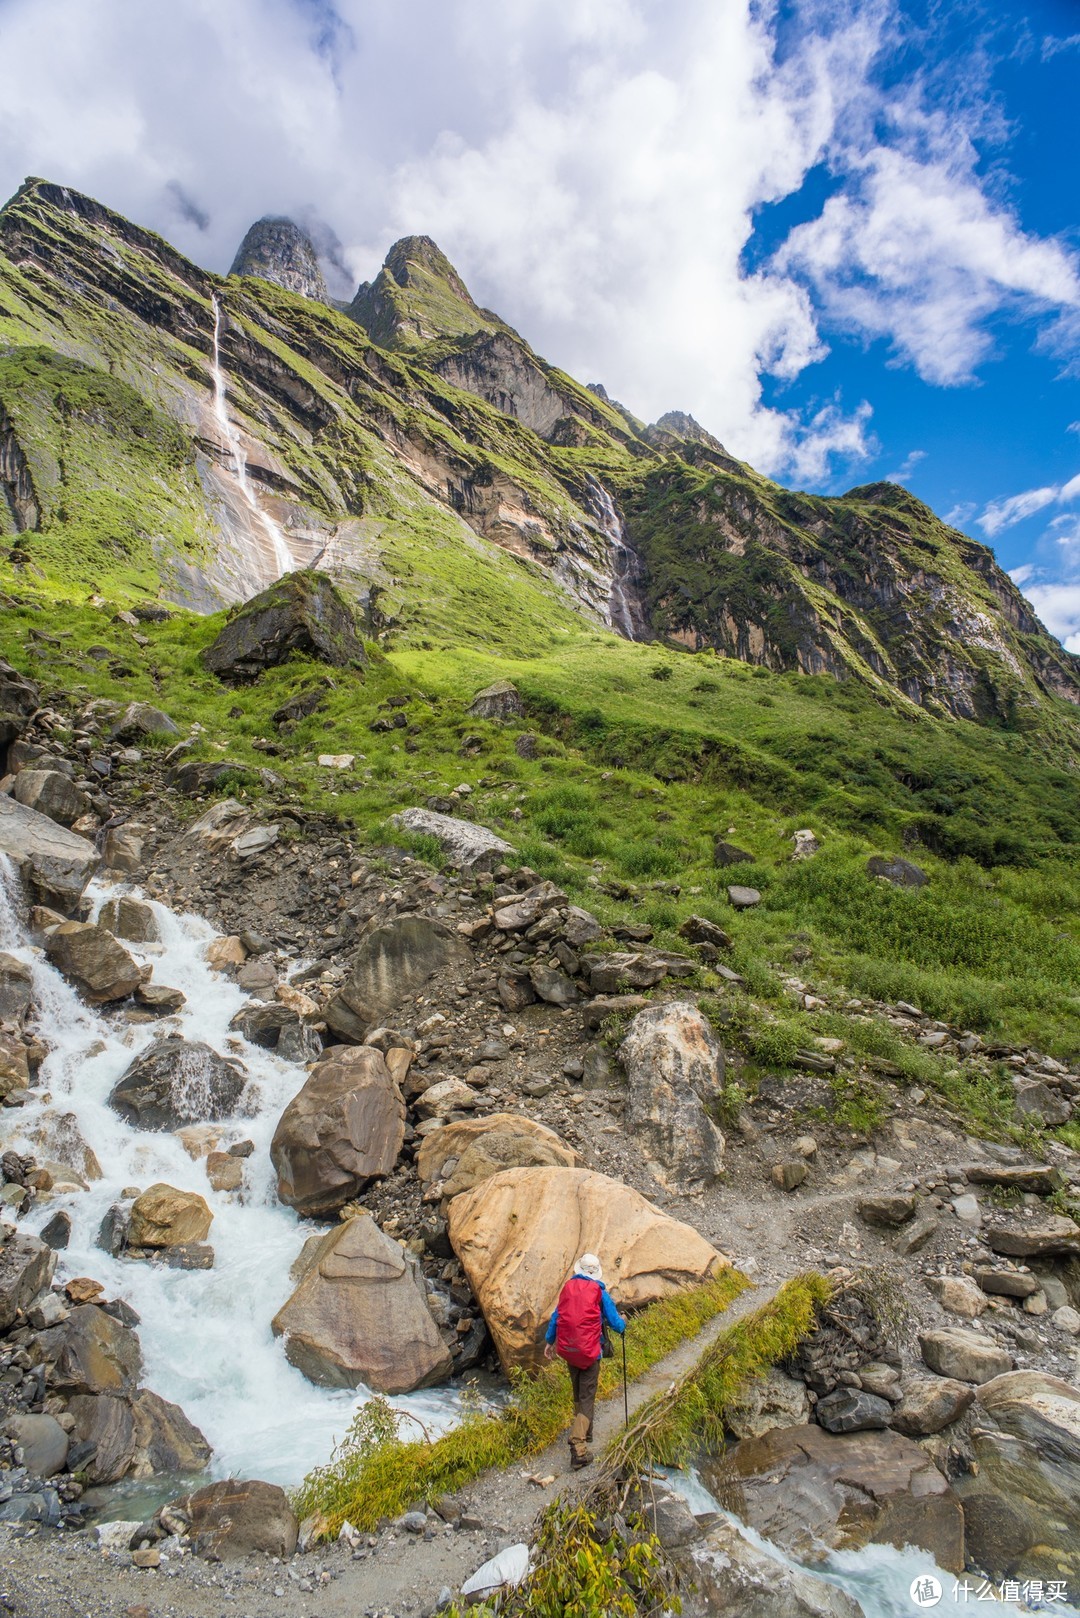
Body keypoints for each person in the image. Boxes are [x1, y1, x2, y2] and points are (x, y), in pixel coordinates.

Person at [543, 1252, 626, 1469]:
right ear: (595, 1272)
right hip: (590, 1352)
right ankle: (578, 1445)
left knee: (578, 1391)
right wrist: (623, 1326)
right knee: (588, 1396)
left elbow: (557, 1316)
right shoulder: (599, 1291)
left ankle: (586, 1432)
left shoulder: (568, 1288)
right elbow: (614, 1320)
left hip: (569, 1350)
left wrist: (549, 1341)